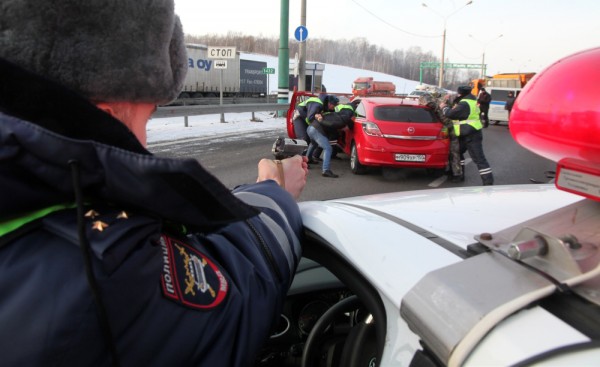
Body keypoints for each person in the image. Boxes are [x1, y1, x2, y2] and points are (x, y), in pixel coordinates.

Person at [0, 1, 309, 366]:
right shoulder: (103, 267)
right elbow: (236, 297)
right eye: (148, 116)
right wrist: (273, 190)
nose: (144, 142)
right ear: (107, 113)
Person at [442, 86, 494, 185]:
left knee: (479, 158)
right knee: (457, 153)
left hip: (471, 134)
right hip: (466, 133)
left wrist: (444, 107)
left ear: (462, 94)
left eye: (458, 93)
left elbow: (451, 114)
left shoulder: (465, 103)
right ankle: (460, 175)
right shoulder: (471, 101)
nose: (457, 95)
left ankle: (488, 182)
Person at [419, 93, 462, 182]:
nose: (422, 103)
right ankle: (453, 172)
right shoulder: (438, 103)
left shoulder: (436, 103)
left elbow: (431, 103)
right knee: (453, 152)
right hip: (449, 128)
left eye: (422, 101)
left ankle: (457, 174)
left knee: (454, 152)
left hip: (452, 128)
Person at [306, 95, 347, 178]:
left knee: (313, 144)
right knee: (328, 148)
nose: (334, 106)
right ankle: (326, 170)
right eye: (334, 105)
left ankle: (306, 160)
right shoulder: (336, 117)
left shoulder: (327, 112)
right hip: (315, 129)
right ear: (329, 103)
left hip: (310, 128)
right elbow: (330, 125)